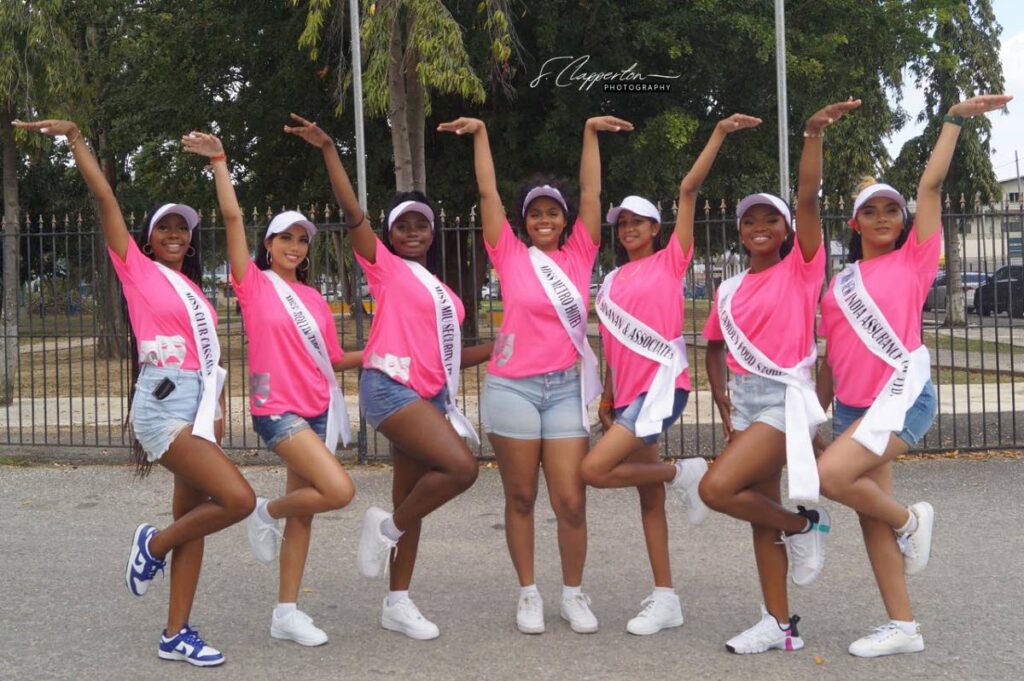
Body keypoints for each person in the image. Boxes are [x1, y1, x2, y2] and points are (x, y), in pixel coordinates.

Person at [15, 119, 256, 667]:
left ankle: (176, 634)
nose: (176, 234)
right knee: (237, 501)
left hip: (199, 410)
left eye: (183, 228)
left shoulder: (196, 289)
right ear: (147, 237)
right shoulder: (136, 268)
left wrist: (216, 411)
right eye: (165, 228)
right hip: (161, 409)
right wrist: (77, 138)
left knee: (199, 518)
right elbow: (104, 197)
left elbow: (206, 356)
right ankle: (152, 546)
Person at [815, 94, 1012, 658]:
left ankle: (912, 521)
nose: (882, 217)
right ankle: (903, 627)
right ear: (854, 222)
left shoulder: (915, 261)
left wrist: (952, 119)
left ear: (903, 222)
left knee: (833, 480)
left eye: (890, 211)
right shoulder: (839, 283)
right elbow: (832, 357)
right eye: (871, 211)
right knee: (866, 519)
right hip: (852, 410)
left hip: (902, 398)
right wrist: (816, 414)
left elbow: (929, 187)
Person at [286, 113, 492, 640]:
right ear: (391, 233)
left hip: (427, 397)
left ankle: (397, 602)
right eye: (403, 224)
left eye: (421, 224)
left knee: (413, 499)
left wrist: (499, 348)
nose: (413, 232)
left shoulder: (443, 291)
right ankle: (386, 528)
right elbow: (353, 212)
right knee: (462, 469)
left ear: (432, 231)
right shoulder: (384, 266)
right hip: (390, 391)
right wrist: (330, 150)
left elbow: (444, 360)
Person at [438, 114, 629, 635]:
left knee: (570, 498)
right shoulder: (509, 254)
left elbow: (592, 191)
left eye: (553, 212)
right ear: (524, 220)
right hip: (511, 388)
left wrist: (588, 131)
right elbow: (487, 193)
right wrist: (480, 135)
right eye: (535, 212)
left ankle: (572, 593)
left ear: (565, 220)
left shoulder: (581, 253)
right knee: (520, 497)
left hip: (564, 388)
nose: (545, 218)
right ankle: (528, 593)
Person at [579, 114, 761, 635]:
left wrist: (720, 134)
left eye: (637, 221)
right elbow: (612, 343)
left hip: (663, 390)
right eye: (622, 223)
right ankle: (666, 597)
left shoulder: (671, 260)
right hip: (630, 395)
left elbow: (688, 188)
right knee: (647, 498)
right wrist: (610, 393)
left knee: (593, 471)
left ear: (656, 229)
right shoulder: (610, 280)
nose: (628, 228)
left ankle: (686, 472)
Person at [182, 131, 361, 647]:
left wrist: (377, 353)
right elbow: (233, 219)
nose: (294, 246)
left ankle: (286, 612)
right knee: (338, 491)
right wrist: (219, 160)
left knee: (305, 508)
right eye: (285, 237)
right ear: (269, 245)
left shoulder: (317, 300)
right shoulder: (253, 282)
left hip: (317, 410)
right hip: (277, 411)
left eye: (302, 239)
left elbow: (332, 360)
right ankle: (264, 512)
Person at [697, 99, 861, 654]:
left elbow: (810, 196)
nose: (760, 227)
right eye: (750, 221)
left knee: (716, 488)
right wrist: (721, 400)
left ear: (789, 230)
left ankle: (805, 527)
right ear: (739, 233)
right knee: (756, 516)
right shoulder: (727, 289)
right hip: (745, 402)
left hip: (783, 400)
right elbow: (715, 347)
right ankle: (780, 625)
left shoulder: (801, 269)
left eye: (771, 219)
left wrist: (813, 134)